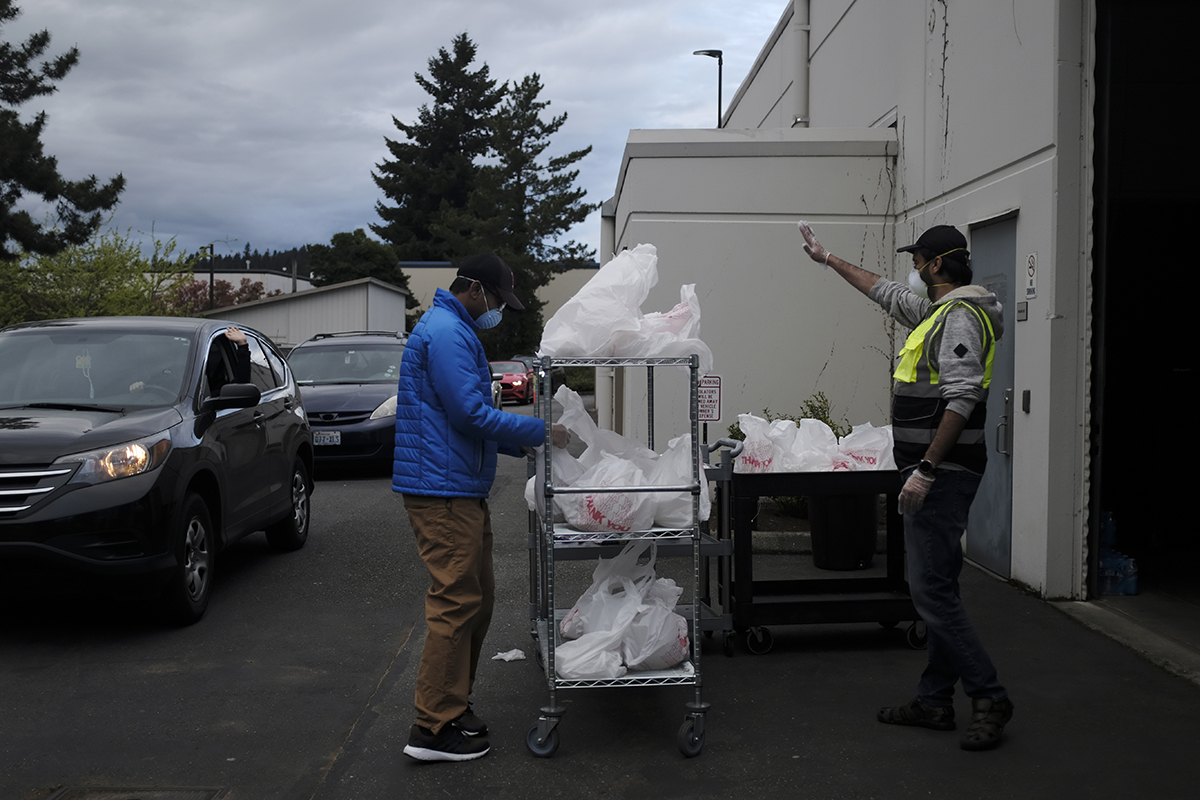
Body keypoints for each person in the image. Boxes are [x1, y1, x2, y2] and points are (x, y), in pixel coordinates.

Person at [798, 221, 1014, 751]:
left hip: (940, 474)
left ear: (938, 264)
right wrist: (829, 259)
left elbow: (962, 399)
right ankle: (936, 701)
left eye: (918, 261)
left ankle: (990, 695)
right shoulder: (937, 313)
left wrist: (926, 469)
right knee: (939, 586)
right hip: (931, 472)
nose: (912, 270)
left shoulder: (960, 317)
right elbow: (884, 291)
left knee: (930, 592)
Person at [393, 252, 569, 762]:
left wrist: (521, 445)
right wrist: (539, 432)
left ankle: (451, 704)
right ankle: (432, 727)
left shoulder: (451, 328)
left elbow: (465, 419)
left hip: (457, 486)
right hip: (442, 491)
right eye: (495, 300)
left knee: (479, 597)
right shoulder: (447, 333)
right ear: (474, 289)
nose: (496, 311)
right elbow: (470, 413)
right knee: (456, 602)